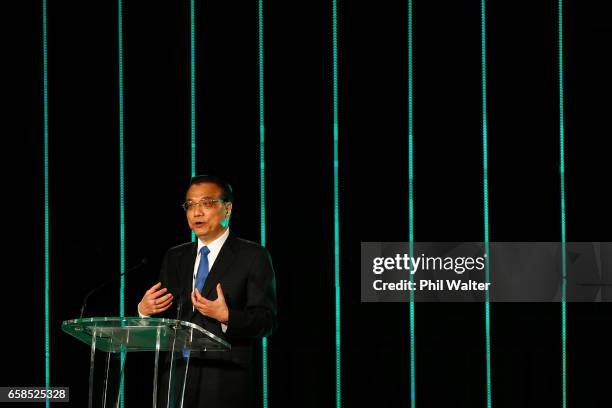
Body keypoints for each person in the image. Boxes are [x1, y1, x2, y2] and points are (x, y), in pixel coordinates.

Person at [138, 175, 277, 408]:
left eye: (206, 203)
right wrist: (145, 311)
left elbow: (267, 321)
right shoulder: (175, 256)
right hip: (176, 378)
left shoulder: (253, 256)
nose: (197, 212)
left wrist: (227, 316)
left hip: (224, 381)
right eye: (190, 205)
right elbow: (167, 320)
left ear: (227, 208)